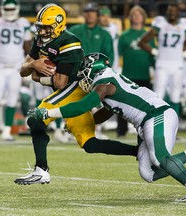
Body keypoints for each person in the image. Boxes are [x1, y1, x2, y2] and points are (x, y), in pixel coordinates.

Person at [29, 52, 186, 201]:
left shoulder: (104, 84)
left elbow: (83, 105)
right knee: (148, 173)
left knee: (159, 158)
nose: (83, 79)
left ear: (92, 70)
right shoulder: (108, 82)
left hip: (156, 115)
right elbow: (106, 113)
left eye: (84, 74)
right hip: (147, 121)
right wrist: (79, 122)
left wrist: (49, 112)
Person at [14, 4, 138, 185]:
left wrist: (38, 76)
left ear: (57, 25)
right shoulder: (41, 39)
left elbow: (60, 83)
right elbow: (23, 70)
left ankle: (41, 170)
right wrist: (34, 65)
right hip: (67, 89)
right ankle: (138, 151)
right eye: (40, 27)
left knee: (35, 118)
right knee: (90, 144)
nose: (41, 31)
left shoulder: (69, 42)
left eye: (46, 27)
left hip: (75, 87)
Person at [138, 3, 186, 116]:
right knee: (158, 95)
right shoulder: (160, 23)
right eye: (170, 12)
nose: (172, 14)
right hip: (162, 64)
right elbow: (142, 42)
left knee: (175, 96)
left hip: (177, 65)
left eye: (174, 12)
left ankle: (173, 124)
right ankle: (155, 123)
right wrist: (154, 51)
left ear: (178, 13)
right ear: (166, 12)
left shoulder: (184, 26)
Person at [0, 0, 32, 142]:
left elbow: (27, 48)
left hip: (16, 67)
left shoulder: (23, 23)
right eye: (7, 9)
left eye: (12, 9)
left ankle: (6, 131)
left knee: (12, 99)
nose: (10, 12)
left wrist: (28, 66)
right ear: (2, 9)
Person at [69, 2, 114, 138]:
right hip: (77, 72)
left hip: (96, 74)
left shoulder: (104, 34)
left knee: (96, 102)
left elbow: (109, 56)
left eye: (92, 12)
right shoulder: (75, 30)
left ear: (97, 15)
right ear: (84, 14)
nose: (90, 14)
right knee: (75, 100)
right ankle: (73, 129)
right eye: (87, 12)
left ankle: (96, 130)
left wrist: (103, 73)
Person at [117, 5, 155, 137]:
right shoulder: (125, 35)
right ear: (130, 18)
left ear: (144, 17)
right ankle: (121, 130)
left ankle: (147, 130)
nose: (137, 17)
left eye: (139, 15)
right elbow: (118, 54)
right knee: (123, 103)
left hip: (144, 74)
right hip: (128, 74)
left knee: (146, 104)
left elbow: (153, 56)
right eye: (134, 15)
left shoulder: (149, 35)